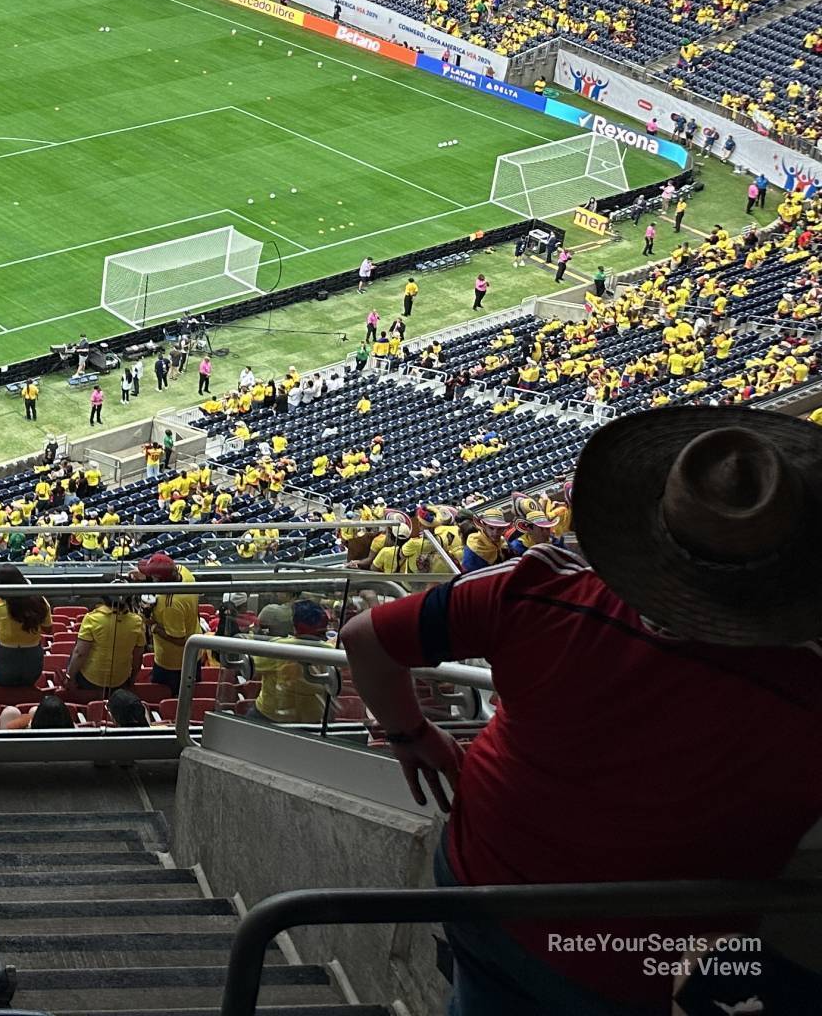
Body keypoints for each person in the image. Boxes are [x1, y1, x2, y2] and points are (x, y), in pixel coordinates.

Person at [341, 406, 822, 1015]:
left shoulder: (541, 588)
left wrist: (410, 734)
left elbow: (364, 638)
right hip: (648, 958)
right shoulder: (806, 686)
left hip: (482, 885)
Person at [140, 552, 204, 698]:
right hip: (194, 653)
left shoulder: (170, 605)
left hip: (173, 663)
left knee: (170, 699)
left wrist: (153, 626)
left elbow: (180, 639)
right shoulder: (184, 572)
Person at [0, 567, 49, 688]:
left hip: (6, 655)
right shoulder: (40, 601)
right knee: (27, 689)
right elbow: (48, 629)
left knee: (4, 690)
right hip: (32, 654)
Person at [70, 594, 146, 698]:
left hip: (91, 680)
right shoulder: (137, 622)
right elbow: (138, 656)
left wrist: (70, 678)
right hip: (120, 680)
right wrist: (132, 680)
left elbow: (80, 654)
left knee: (74, 652)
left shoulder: (92, 618)